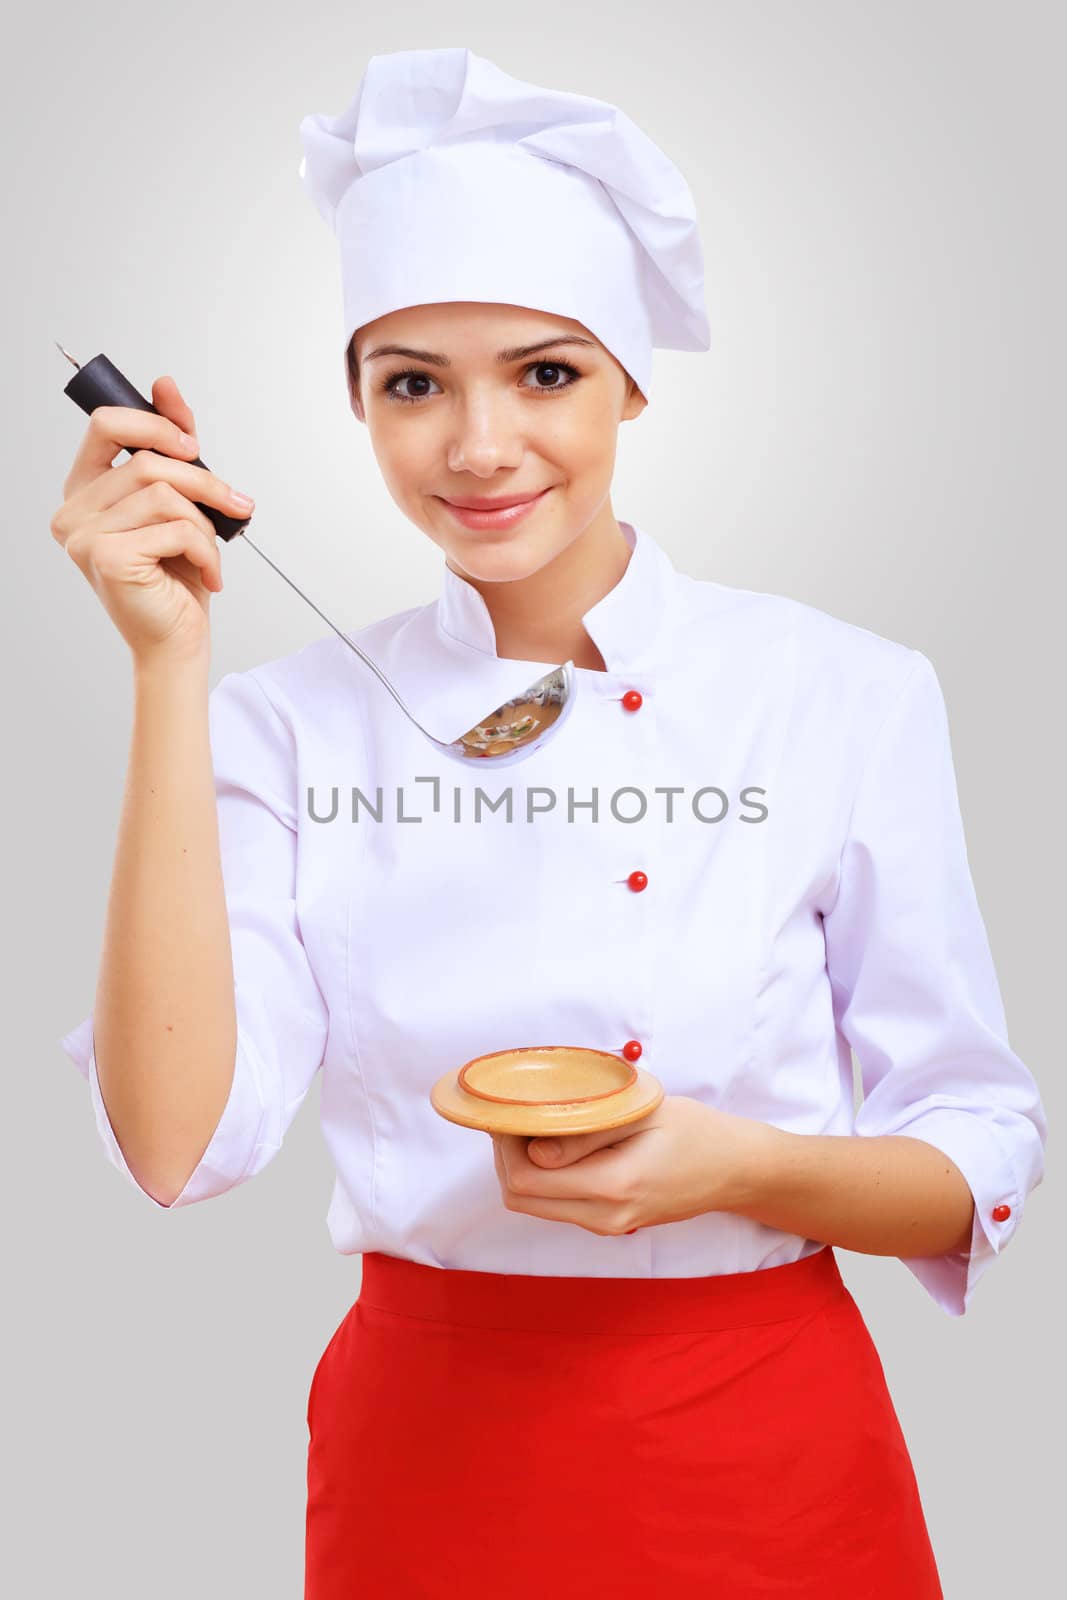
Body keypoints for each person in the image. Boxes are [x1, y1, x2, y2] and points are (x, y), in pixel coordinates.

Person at [54, 46, 1046, 1600]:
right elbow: (176, 1148)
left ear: (634, 380)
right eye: (412, 385)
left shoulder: (844, 694)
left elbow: (979, 1145)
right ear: (359, 406)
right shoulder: (282, 721)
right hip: (432, 1454)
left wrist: (733, 1169)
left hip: (769, 1444)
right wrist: (168, 667)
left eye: (546, 371)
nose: (480, 447)